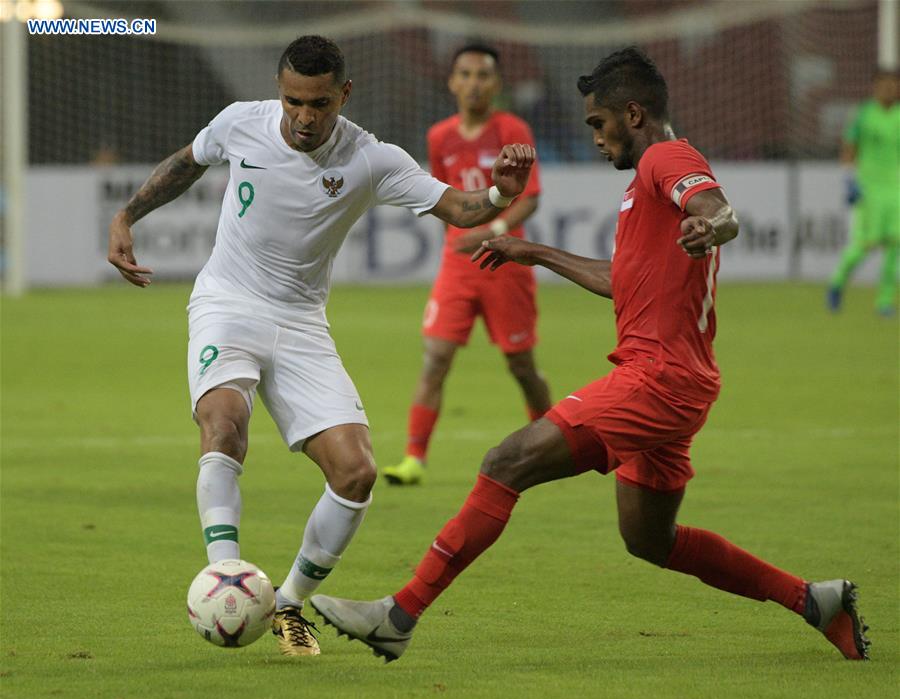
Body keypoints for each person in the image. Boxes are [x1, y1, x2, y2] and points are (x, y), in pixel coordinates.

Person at [310, 47, 870, 663]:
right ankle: (814, 601)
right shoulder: (645, 184)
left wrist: (713, 224)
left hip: (656, 379)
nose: (595, 139)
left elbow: (716, 209)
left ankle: (400, 613)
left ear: (633, 114)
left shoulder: (666, 158)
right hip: (678, 381)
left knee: (506, 461)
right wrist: (537, 252)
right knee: (649, 539)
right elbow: (621, 280)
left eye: (597, 125)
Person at [107, 35, 535, 658]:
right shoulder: (241, 123)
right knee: (224, 421)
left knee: (357, 471)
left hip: (302, 322)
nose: (304, 117)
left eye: (319, 104)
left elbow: (459, 208)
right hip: (227, 301)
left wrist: (499, 194)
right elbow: (187, 162)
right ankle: (226, 578)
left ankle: (285, 604)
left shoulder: (370, 157)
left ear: (344, 94)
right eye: (293, 102)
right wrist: (127, 216)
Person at [382, 43, 551, 486]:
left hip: (505, 264)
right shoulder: (439, 136)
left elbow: (529, 197)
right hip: (458, 265)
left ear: (496, 83)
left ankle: (557, 444)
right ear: (452, 81)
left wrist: (493, 229)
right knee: (435, 357)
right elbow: (442, 198)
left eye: (483, 75)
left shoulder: (512, 128)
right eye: (466, 74)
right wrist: (457, 241)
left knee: (521, 365)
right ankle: (413, 458)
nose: (474, 83)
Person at [827, 68, 899, 316]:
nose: (891, 89)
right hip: (869, 189)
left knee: (894, 246)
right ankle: (837, 282)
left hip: (896, 190)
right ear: (876, 86)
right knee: (864, 244)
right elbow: (849, 147)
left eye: (894, 85)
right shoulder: (864, 115)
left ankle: (885, 302)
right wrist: (848, 179)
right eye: (886, 84)